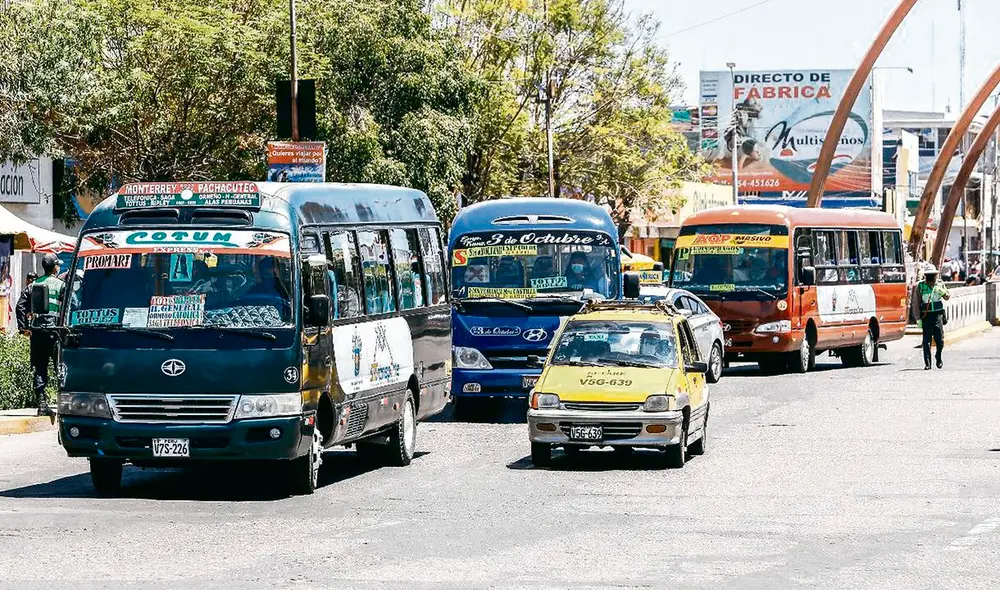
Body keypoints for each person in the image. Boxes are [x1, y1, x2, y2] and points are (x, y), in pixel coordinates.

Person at [31, 255, 64, 416]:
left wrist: (24, 327)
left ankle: (42, 405)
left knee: (40, 368)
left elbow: (20, 306)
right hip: (55, 331)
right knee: (61, 368)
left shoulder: (33, 284)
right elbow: (71, 306)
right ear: (55, 268)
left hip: (37, 332)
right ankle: (65, 405)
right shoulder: (61, 285)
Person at [917, 264, 950, 370]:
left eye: (933, 275)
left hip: (938, 314)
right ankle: (927, 363)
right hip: (926, 315)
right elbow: (916, 302)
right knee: (926, 341)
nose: (931, 277)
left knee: (939, 340)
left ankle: (938, 357)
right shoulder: (921, 286)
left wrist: (943, 292)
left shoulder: (940, 283)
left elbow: (947, 297)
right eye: (928, 275)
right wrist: (917, 317)